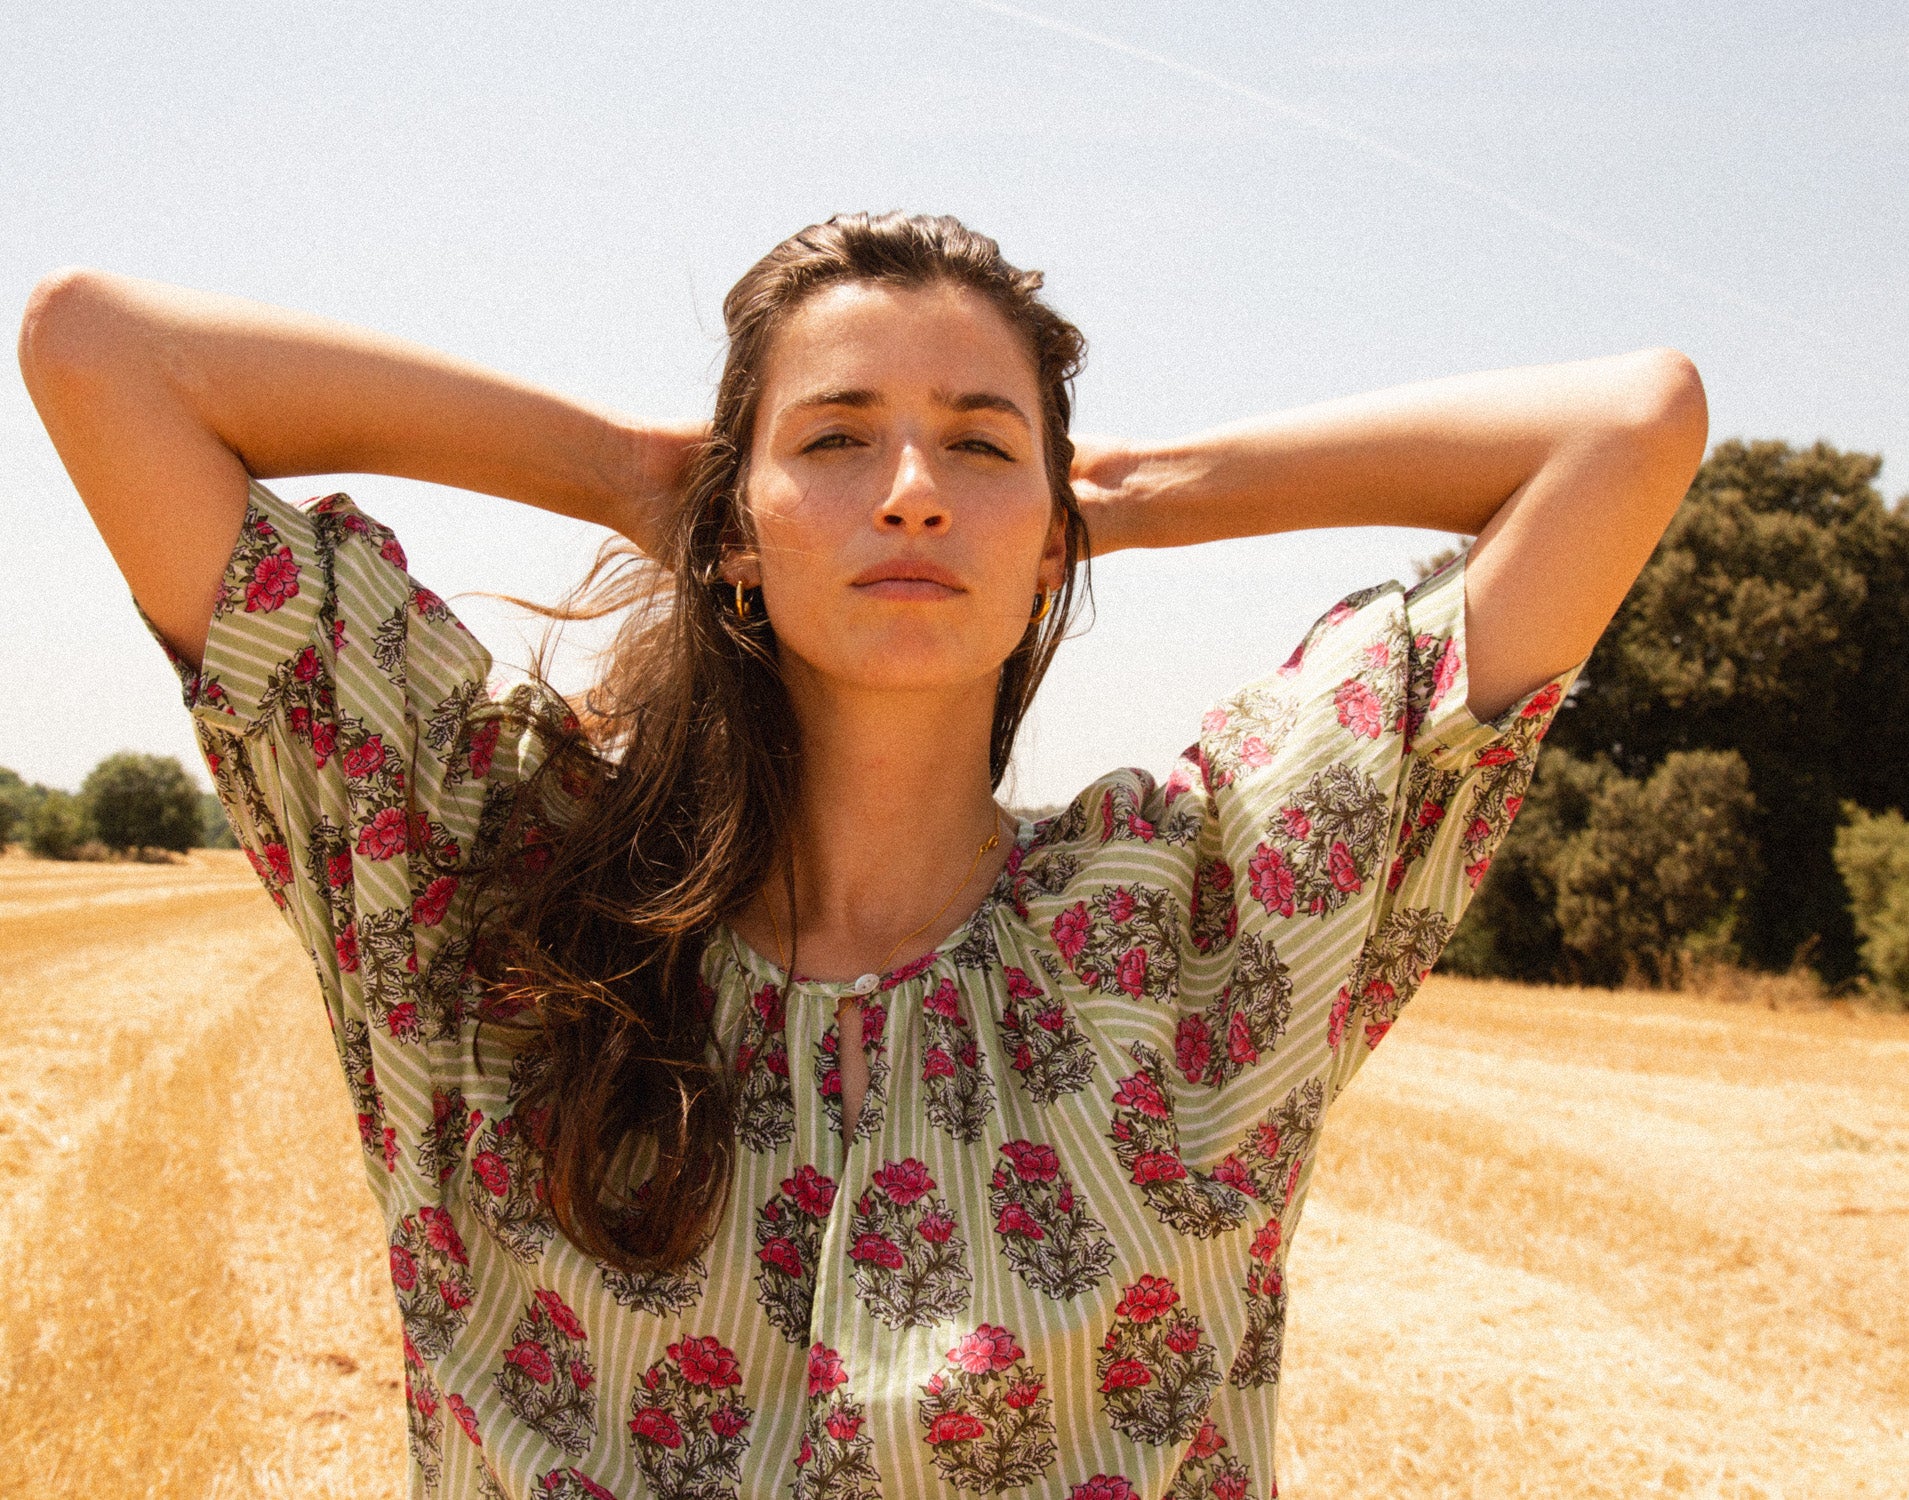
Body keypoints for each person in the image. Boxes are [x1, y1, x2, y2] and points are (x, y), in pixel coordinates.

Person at [19, 212, 1706, 1500]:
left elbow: (1628, 426)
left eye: (977, 443)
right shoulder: (491, 892)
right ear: (733, 535)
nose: (910, 490)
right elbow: (103, 355)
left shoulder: (1200, 928)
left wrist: (1128, 488)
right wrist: (626, 473)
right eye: (834, 439)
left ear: (1052, 549)